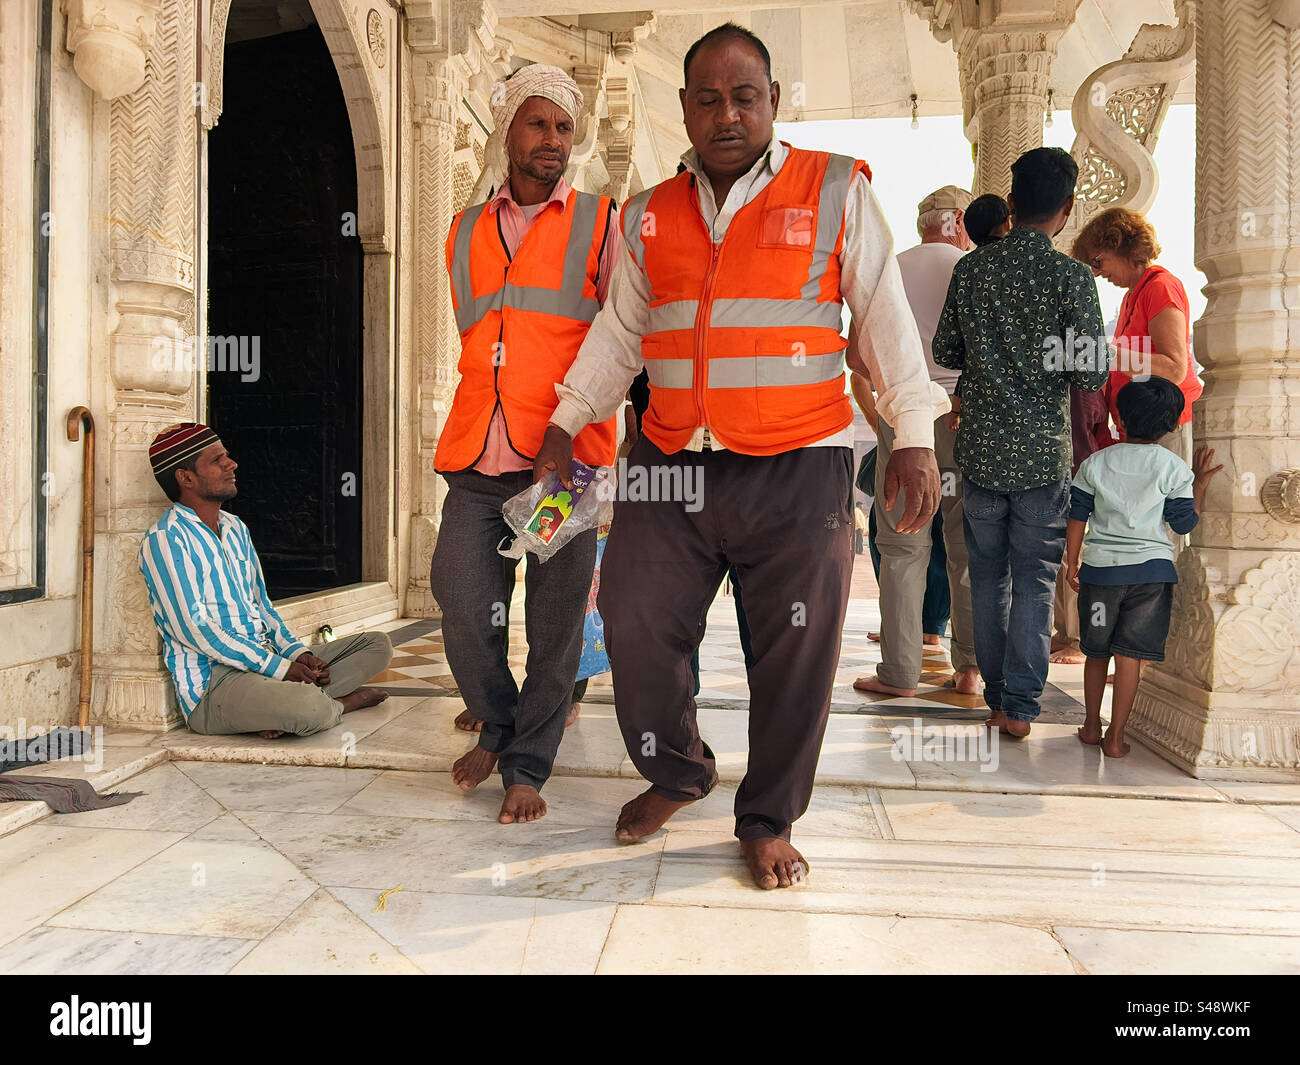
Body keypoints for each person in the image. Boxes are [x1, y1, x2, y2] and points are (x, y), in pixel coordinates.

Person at [535, 23, 945, 889]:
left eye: (744, 96)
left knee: (797, 652)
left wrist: (912, 435)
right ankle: (678, 770)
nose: (727, 114)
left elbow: (883, 318)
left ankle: (767, 816)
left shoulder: (834, 188)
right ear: (683, 107)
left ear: (772, 101)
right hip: (672, 460)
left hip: (801, 464)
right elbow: (621, 334)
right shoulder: (649, 211)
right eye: (709, 99)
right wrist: (568, 424)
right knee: (636, 621)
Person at [430, 64, 621, 825]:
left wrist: (573, 431)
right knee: (462, 596)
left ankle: (528, 763)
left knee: (553, 616)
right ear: (507, 132)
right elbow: (477, 335)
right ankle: (500, 721)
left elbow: (621, 340)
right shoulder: (463, 230)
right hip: (479, 452)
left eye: (564, 128)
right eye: (538, 124)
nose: (553, 140)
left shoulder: (601, 223)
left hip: (561, 467)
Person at [933, 147, 1109, 738]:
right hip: (1041, 455)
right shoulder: (1072, 278)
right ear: (1066, 209)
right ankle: (1022, 708)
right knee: (1034, 580)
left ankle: (997, 693)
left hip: (981, 449)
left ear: (1010, 202)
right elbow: (1089, 374)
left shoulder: (972, 270)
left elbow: (946, 353)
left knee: (986, 577)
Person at [138, 423, 393, 738]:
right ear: (185, 477)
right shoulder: (166, 540)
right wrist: (280, 670)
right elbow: (194, 629)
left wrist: (296, 654)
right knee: (308, 708)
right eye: (217, 460)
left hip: (268, 660)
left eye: (226, 457)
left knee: (377, 645)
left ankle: (273, 709)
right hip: (215, 685)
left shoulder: (235, 527)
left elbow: (262, 605)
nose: (231, 464)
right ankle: (340, 704)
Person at [857, 186, 978, 697]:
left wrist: (882, 416)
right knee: (965, 545)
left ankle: (900, 674)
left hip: (905, 418)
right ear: (956, 222)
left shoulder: (891, 266)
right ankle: (971, 670)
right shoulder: (975, 271)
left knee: (903, 544)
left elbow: (858, 361)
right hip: (965, 419)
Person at [1066, 378, 1222, 757]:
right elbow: (1184, 524)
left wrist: (1073, 561)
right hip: (1150, 578)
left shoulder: (1095, 463)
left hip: (1101, 576)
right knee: (1130, 655)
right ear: (1172, 425)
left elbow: (1077, 515)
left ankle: (1090, 726)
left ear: (1119, 418)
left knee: (1096, 650)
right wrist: (1198, 484)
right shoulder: (1174, 468)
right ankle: (1116, 739)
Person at [1070, 207, 1203, 463]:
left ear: (1119, 245)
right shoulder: (1133, 295)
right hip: (1140, 430)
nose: (1096, 273)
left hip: (1165, 425)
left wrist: (1105, 355)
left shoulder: (1160, 287)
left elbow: (1174, 368)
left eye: (1097, 261)